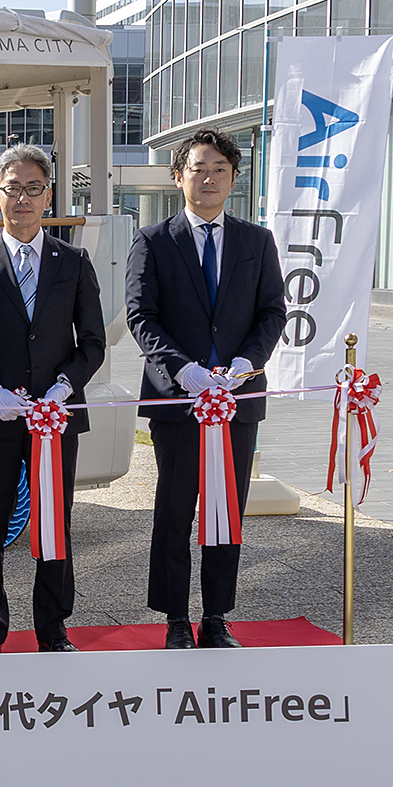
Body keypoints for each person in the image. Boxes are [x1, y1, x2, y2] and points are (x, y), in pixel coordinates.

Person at [125, 128, 287, 649]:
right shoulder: (154, 240)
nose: (209, 177)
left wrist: (246, 363)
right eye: (198, 168)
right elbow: (141, 317)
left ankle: (216, 616)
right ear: (179, 177)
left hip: (237, 401)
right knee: (175, 510)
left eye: (220, 168)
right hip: (179, 403)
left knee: (227, 512)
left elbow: (272, 312)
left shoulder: (256, 241)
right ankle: (175, 617)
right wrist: (184, 370)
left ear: (234, 179)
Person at [0, 144, 105, 653]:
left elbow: (93, 343)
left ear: (48, 196)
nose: (22, 198)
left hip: (56, 419)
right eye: (12, 188)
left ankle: (53, 629)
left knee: (55, 526)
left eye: (32, 188)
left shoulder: (75, 262)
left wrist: (63, 388)